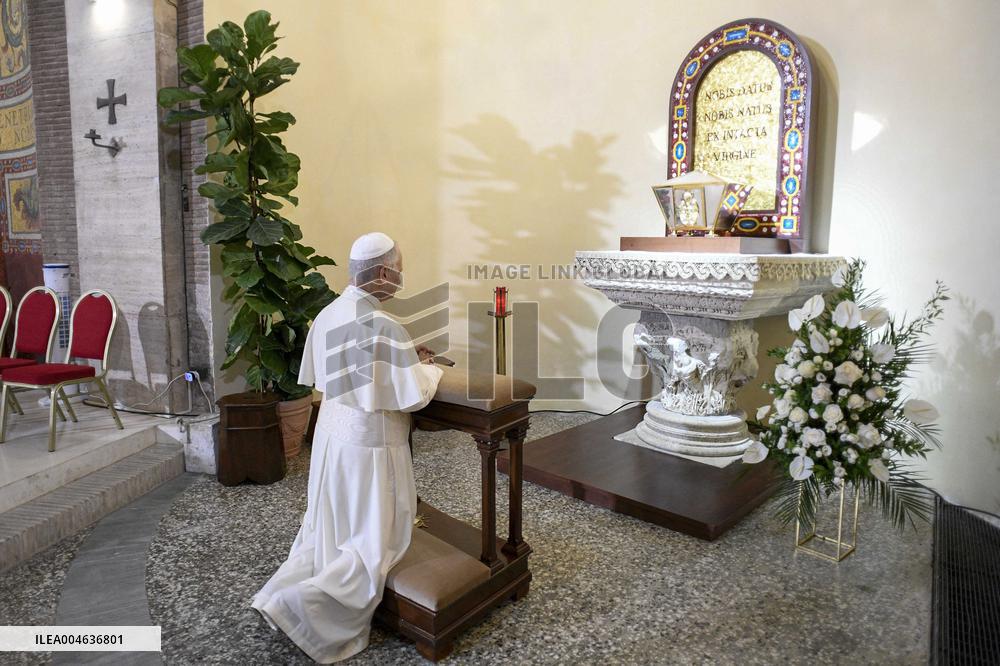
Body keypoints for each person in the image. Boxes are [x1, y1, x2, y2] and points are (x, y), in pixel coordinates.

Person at [252, 232, 443, 663]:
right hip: (370, 445)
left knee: (335, 526)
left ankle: (284, 595)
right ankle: (304, 609)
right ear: (381, 273)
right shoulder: (382, 324)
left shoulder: (330, 312)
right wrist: (427, 368)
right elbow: (411, 394)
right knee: (370, 539)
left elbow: (350, 369)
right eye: (399, 269)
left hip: (332, 438)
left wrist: (405, 355)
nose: (400, 278)